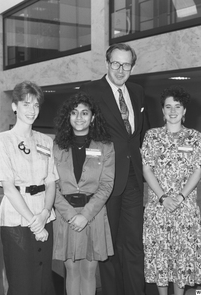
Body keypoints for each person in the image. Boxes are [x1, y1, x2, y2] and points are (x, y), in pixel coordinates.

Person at [81, 43, 146, 295]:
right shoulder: (90, 91)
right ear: (107, 63)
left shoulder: (138, 92)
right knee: (108, 245)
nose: (121, 70)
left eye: (126, 64)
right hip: (105, 179)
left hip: (133, 178)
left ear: (132, 66)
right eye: (116, 64)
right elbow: (81, 134)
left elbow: (142, 135)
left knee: (133, 243)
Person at [0, 81, 58, 295]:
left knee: (43, 280)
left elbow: (51, 182)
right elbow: (9, 188)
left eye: (36, 105)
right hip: (17, 219)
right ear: (14, 106)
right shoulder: (1, 140)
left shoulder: (46, 141)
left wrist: (45, 213)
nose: (32, 110)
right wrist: (35, 224)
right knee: (22, 284)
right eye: (26, 104)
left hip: (44, 215)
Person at [141, 86, 201, 295]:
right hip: (158, 209)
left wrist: (179, 196)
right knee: (160, 256)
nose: (173, 111)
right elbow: (147, 168)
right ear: (162, 110)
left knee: (181, 258)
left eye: (178, 106)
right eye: (168, 107)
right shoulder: (152, 136)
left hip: (184, 208)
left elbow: (198, 169)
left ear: (185, 111)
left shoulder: (195, 137)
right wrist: (163, 197)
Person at [52, 92, 115, 295]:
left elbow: (106, 185)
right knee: (71, 269)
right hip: (66, 216)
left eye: (85, 113)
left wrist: (85, 215)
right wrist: (72, 216)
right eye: (74, 112)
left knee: (89, 271)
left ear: (93, 117)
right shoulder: (56, 147)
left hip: (93, 215)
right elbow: (51, 185)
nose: (79, 117)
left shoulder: (106, 147)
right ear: (68, 117)